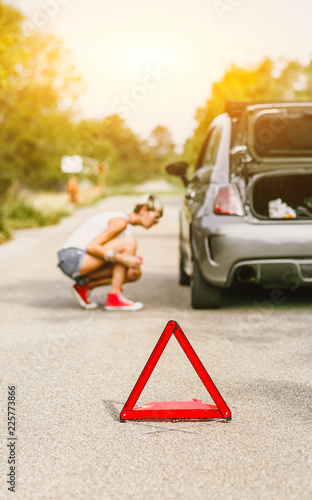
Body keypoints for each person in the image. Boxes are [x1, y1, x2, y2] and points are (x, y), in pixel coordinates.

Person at [57, 194, 163, 311]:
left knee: (133, 273)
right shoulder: (121, 221)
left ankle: (84, 287)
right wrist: (124, 259)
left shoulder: (126, 226)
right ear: (144, 210)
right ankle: (114, 297)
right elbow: (92, 247)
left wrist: (126, 259)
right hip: (72, 257)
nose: (156, 222)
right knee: (129, 243)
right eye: (156, 217)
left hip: (77, 261)